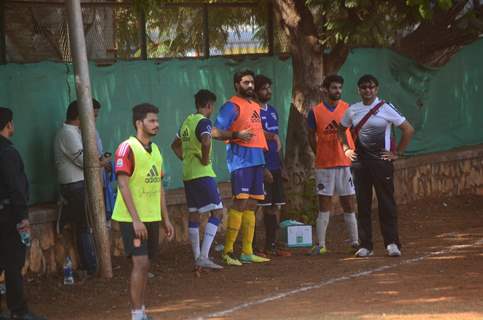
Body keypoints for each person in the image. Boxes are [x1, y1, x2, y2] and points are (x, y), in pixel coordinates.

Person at [338, 74, 414, 257]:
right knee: (363, 204)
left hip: (382, 163)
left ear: (376, 89)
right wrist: (346, 148)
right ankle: (366, 246)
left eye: (371, 87)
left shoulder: (386, 108)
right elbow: (340, 130)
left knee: (386, 203)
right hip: (360, 164)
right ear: (359, 90)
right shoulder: (353, 110)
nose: (367, 90)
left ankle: (392, 243)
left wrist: (397, 153)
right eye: (364, 87)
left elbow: (408, 130)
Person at [112, 103, 174, 320]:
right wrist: (136, 220)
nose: (157, 124)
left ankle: (141, 311)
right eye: (152, 120)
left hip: (151, 217)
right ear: (139, 123)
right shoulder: (127, 148)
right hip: (132, 218)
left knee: (146, 264)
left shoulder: (156, 150)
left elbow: (159, 187)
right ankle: (137, 315)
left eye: (157, 120)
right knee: (140, 262)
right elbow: (122, 185)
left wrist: (166, 219)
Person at [212, 70, 271, 266]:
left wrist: (264, 166)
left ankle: (247, 251)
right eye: (246, 82)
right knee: (240, 203)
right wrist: (237, 134)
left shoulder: (255, 105)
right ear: (237, 84)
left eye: (252, 82)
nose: (250, 86)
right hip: (240, 162)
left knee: (253, 205)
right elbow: (214, 132)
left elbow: (257, 136)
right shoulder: (231, 106)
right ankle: (228, 251)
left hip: (257, 161)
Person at [53, 99, 109, 275]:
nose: (94, 119)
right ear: (80, 115)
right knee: (85, 226)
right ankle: (91, 266)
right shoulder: (68, 134)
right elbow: (85, 161)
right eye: (93, 115)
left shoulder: (75, 132)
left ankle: (92, 264)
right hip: (75, 186)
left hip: (80, 185)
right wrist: (101, 162)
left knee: (87, 225)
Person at [0, 107, 46, 320]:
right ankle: (18, 310)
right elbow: (16, 189)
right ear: (9, 125)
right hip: (8, 217)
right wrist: (23, 219)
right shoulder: (8, 153)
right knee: (13, 263)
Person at [170, 90, 223, 270]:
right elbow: (206, 141)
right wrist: (205, 158)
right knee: (217, 213)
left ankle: (197, 258)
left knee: (194, 213)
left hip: (188, 174)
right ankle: (204, 256)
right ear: (209, 105)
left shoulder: (187, 121)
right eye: (212, 106)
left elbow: (174, 145)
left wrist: (184, 159)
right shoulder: (203, 121)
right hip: (202, 174)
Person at [307, 75, 359, 255]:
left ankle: (355, 242)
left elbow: (354, 131)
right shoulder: (315, 111)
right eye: (334, 88)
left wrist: (351, 150)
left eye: (340, 88)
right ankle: (321, 244)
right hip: (325, 165)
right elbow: (310, 135)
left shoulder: (348, 108)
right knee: (324, 204)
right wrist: (319, 152)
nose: (337, 91)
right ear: (325, 89)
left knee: (349, 203)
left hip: (344, 163)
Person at [254, 75, 291, 257]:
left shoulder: (273, 111)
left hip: (275, 165)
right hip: (261, 166)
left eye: (269, 88)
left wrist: (282, 165)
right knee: (257, 206)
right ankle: (252, 246)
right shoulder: (253, 112)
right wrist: (262, 167)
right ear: (255, 91)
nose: (268, 91)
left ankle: (272, 245)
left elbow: (278, 139)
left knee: (275, 206)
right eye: (264, 88)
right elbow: (255, 139)